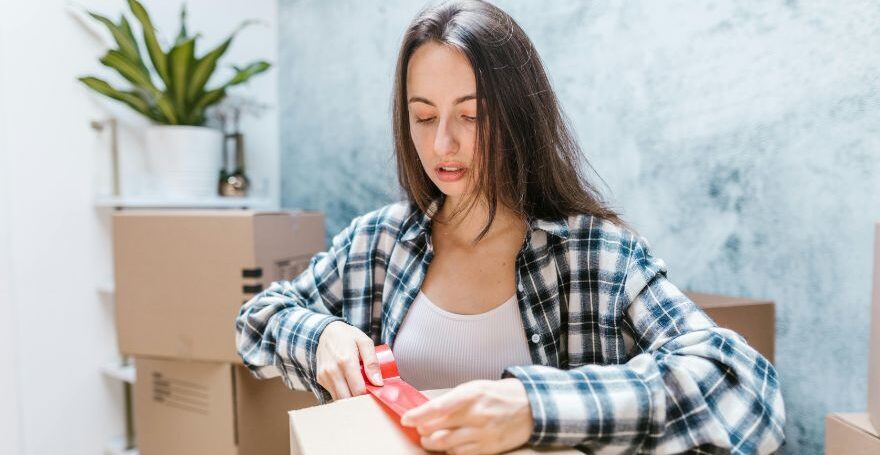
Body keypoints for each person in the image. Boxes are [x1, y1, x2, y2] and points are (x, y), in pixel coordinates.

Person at [235, 1, 786, 453]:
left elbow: (744, 390)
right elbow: (257, 321)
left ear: (520, 116)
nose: (441, 144)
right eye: (423, 116)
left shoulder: (594, 257)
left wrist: (532, 408)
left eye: (470, 116)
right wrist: (321, 335)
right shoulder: (377, 244)